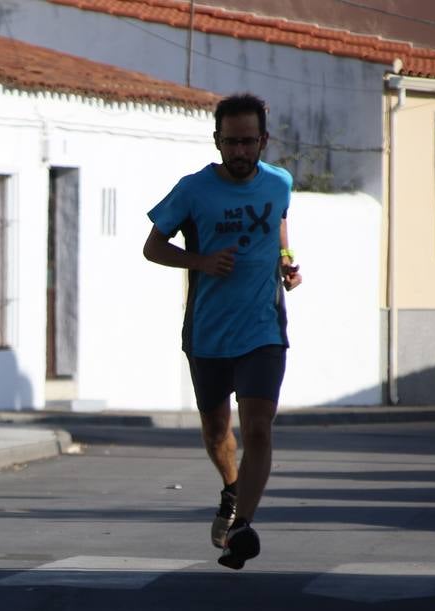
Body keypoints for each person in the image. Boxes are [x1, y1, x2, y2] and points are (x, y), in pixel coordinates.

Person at [142, 93, 303, 571]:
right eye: (230, 142)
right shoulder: (193, 191)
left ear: (263, 141)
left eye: (248, 142)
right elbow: (152, 247)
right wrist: (201, 261)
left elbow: (279, 226)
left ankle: (243, 527)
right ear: (217, 141)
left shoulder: (280, 183)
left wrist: (286, 263)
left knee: (257, 428)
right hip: (209, 333)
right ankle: (232, 489)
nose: (239, 151)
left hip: (263, 329)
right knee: (217, 433)